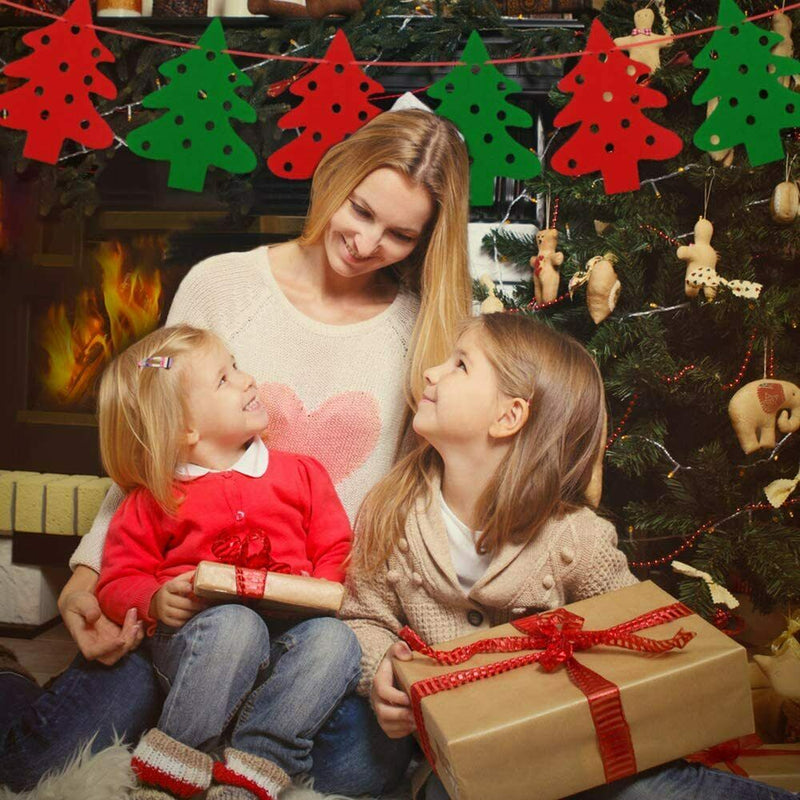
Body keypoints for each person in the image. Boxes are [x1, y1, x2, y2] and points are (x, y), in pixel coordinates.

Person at [0, 108, 471, 792]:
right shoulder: (218, 286)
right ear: (334, 175)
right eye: (361, 210)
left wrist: (392, 644)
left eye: (400, 234)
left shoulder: (420, 335)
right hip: (191, 611)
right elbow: (156, 431)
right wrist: (86, 572)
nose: (367, 243)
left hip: (316, 629)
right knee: (42, 758)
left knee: (354, 774)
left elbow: (423, 516)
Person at [311, 313, 795, 800]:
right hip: (463, 752)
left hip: (570, 750)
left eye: (460, 364)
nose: (432, 373)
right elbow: (363, 617)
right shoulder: (390, 510)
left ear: (509, 416)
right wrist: (381, 675)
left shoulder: (576, 540)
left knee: (647, 792)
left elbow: (634, 642)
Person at [93, 324, 357, 800]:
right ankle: (173, 763)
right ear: (184, 429)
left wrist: (319, 589)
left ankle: (257, 766)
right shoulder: (155, 500)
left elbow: (335, 547)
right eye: (224, 379)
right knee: (236, 624)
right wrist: (153, 599)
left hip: (287, 643)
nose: (247, 378)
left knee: (336, 640)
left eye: (235, 366)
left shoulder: (299, 473)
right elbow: (115, 581)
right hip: (199, 648)